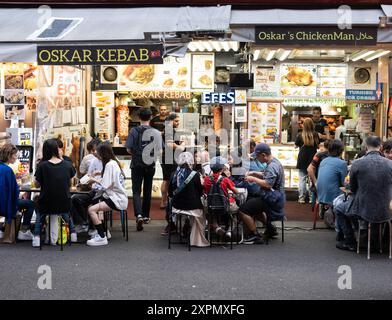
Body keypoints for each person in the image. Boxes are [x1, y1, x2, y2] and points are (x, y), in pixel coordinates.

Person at [347, 136, 392, 247]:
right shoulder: (390, 164)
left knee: (344, 209)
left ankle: (358, 240)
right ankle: (382, 243)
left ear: (366, 147)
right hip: (386, 208)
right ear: (380, 147)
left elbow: (352, 188)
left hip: (363, 208)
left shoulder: (357, 163)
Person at [32, 139, 77, 247]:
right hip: (64, 202)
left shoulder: (42, 166)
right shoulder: (67, 165)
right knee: (65, 210)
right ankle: (73, 234)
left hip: (47, 202)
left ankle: (37, 237)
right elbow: (71, 182)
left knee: (40, 210)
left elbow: (37, 185)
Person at [239, 143, 285, 244]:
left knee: (243, 210)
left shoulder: (272, 166)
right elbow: (266, 174)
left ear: (263, 155)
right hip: (276, 197)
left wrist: (253, 178)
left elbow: (268, 184)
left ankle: (254, 235)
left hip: (271, 199)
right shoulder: (275, 162)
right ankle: (270, 229)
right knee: (255, 208)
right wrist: (254, 173)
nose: (257, 159)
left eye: (258, 156)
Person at [125, 107, 162, 231]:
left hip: (136, 164)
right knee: (147, 190)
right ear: (151, 117)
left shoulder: (133, 131)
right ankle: (146, 216)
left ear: (139, 118)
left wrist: (136, 154)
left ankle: (139, 215)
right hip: (150, 165)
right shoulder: (156, 133)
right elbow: (160, 151)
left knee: (136, 191)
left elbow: (128, 149)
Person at [86, 143, 128, 246]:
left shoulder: (109, 165)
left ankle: (101, 236)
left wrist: (92, 180)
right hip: (118, 197)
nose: (97, 154)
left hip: (115, 199)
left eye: (98, 152)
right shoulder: (113, 162)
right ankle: (103, 232)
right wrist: (99, 173)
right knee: (96, 203)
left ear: (103, 154)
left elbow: (105, 185)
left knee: (91, 209)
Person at [168, 152, 209, 247]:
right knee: (201, 215)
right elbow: (200, 191)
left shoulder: (174, 174)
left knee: (183, 213)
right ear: (191, 162)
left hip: (176, 207)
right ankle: (195, 240)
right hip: (192, 207)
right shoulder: (194, 174)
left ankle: (183, 229)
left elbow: (170, 193)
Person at [203, 156, 239, 239]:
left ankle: (217, 228)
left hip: (211, 205)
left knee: (211, 213)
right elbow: (236, 191)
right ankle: (230, 230)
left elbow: (204, 191)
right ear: (222, 168)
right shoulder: (225, 179)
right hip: (225, 206)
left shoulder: (206, 179)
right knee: (235, 211)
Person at [160, 113, 184, 209]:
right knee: (168, 180)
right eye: (176, 121)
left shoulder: (169, 129)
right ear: (170, 121)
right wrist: (181, 147)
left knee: (166, 179)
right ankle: (166, 201)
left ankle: (165, 201)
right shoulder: (169, 129)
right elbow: (170, 144)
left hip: (167, 157)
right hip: (169, 157)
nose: (178, 123)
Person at [316, 139, 347, 207]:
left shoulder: (323, 161)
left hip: (320, 195)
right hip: (333, 197)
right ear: (341, 151)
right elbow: (344, 183)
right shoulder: (342, 163)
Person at [295, 118, 319, 204]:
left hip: (302, 158)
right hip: (313, 158)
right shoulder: (315, 134)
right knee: (312, 178)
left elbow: (295, 145)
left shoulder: (300, 135)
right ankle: (311, 198)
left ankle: (301, 198)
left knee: (302, 179)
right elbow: (318, 146)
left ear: (304, 125)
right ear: (312, 125)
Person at [0, 144, 19, 244]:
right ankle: (25, 230)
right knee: (30, 204)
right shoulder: (8, 170)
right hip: (5, 204)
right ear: (9, 155)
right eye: (15, 155)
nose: (16, 158)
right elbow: (14, 191)